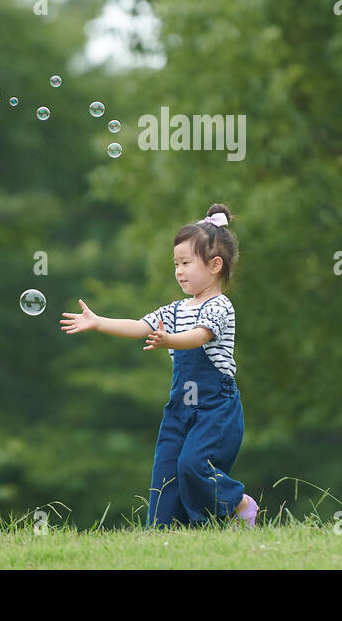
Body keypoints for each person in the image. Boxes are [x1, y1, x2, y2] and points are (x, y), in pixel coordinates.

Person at [60, 204, 258, 527]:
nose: (178, 271)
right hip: (180, 408)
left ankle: (237, 502)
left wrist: (170, 341)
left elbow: (198, 336)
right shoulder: (177, 308)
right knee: (166, 474)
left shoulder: (220, 307)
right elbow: (140, 325)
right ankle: (165, 533)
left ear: (214, 265)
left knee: (193, 464)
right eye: (175, 264)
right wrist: (98, 322)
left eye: (185, 263)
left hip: (214, 408)